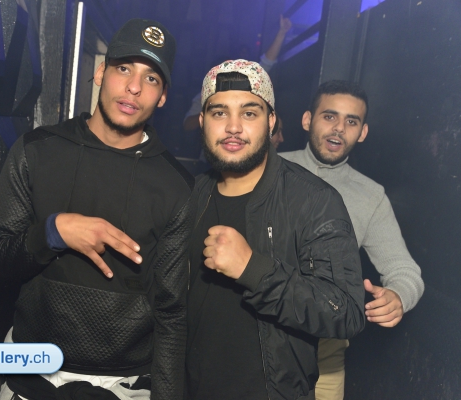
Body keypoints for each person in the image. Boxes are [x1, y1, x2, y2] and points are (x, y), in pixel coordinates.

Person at [0, 18, 195, 400]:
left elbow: (171, 312)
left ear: (162, 96)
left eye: (151, 78)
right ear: (101, 72)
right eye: (124, 68)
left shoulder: (176, 185)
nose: (134, 87)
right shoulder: (36, 151)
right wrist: (53, 233)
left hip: (123, 386)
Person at [185, 60, 365, 400]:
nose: (233, 127)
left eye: (249, 113)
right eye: (219, 113)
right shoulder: (190, 196)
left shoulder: (314, 200)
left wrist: (254, 270)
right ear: (203, 121)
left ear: (270, 122)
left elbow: (346, 312)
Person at [280, 80, 424, 400]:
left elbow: (405, 270)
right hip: (255, 337)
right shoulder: (267, 169)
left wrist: (399, 296)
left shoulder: (370, 196)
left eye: (351, 121)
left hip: (325, 354)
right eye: (329, 116)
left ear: (362, 132)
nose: (339, 128)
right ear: (307, 120)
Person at [182, 15, 292, 132]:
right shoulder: (205, 95)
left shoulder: (245, 85)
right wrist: (213, 108)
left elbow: (267, 62)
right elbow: (187, 125)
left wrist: (281, 33)